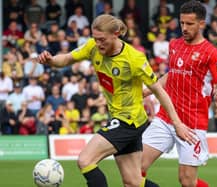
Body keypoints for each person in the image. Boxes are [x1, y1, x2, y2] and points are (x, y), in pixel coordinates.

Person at [37, 14, 197, 187]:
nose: (98, 44)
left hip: (129, 121)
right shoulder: (93, 47)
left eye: (102, 39)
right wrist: (51, 60)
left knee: (85, 160)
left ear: (115, 33)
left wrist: (177, 123)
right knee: (132, 182)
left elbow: (159, 91)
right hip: (122, 120)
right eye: (95, 39)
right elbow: (67, 58)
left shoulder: (134, 59)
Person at [141, 1, 217, 187]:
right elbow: (171, 75)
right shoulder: (174, 45)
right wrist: (146, 92)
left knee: (187, 181)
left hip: (192, 123)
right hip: (166, 118)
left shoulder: (212, 54)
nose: (184, 28)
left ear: (201, 24)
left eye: (189, 24)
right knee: (135, 166)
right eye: (182, 23)